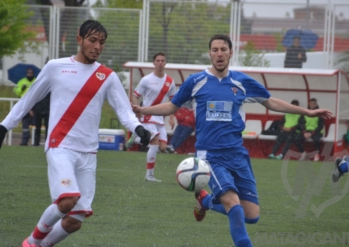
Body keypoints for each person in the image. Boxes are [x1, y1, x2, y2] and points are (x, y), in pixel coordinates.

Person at [132, 34, 332, 247]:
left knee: (251, 215)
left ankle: (205, 200)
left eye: (223, 49)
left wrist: (307, 112)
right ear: (209, 54)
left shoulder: (241, 81)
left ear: (230, 53)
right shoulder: (196, 81)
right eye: (215, 50)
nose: (219, 54)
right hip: (210, 156)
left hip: (238, 154)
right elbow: (172, 106)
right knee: (234, 206)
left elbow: (271, 102)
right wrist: (143, 109)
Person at [0, 20, 151, 247]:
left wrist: (138, 128)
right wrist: (4, 127)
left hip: (89, 154)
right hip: (60, 146)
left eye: (101, 42)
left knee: (75, 220)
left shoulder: (107, 76)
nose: (97, 46)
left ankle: (41, 245)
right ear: (79, 39)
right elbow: (29, 99)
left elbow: (125, 112)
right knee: (68, 200)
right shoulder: (55, 67)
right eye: (93, 40)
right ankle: (31, 243)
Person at [125, 52, 176, 182]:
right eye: (157, 60)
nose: (160, 63)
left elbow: (173, 101)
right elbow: (135, 95)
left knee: (163, 148)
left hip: (160, 118)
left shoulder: (170, 82)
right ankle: (149, 175)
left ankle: (136, 138)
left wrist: (171, 117)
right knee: (154, 143)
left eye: (162, 60)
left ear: (165, 63)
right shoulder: (146, 80)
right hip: (147, 116)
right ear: (153, 63)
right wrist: (138, 111)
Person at [14, 68, 36, 146]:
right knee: (25, 124)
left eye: (31, 73)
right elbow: (16, 91)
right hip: (24, 105)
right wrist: (21, 89)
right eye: (28, 73)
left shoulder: (36, 81)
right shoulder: (22, 81)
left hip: (34, 106)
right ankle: (25, 141)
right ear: (26, 73)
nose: (30, 74)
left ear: (33, 73)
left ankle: (35, 142)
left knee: (35, 124)